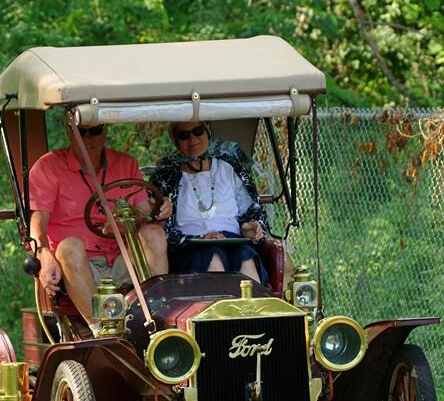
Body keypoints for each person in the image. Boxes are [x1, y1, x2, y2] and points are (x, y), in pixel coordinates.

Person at [29, 120, 171, 337]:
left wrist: (160, 210)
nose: (88, 138)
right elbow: (38, 223)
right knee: (69, 246)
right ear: (69, 132)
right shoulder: (49, 166)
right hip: (79, 265)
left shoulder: (125, 163)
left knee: (154, 234)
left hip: (123, 256)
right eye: (81, 132)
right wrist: (43, 255)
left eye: (95, 131)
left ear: (105, 131)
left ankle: (159, 322)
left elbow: (144, 215)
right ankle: (104, 332)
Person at [149, 120, 269, 283]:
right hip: (189, 247)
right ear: (176, 141)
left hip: (233, 241)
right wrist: (201, 237)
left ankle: (253, 307)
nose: (192, 140)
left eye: (198, 131)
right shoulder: (166, 174)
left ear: (208, 131)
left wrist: (250, 229)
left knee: (245, 257)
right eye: (183, 136)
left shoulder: (230, 166)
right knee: (212, 256)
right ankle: (216, 306)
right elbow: (159, 226)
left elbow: (253, 213)